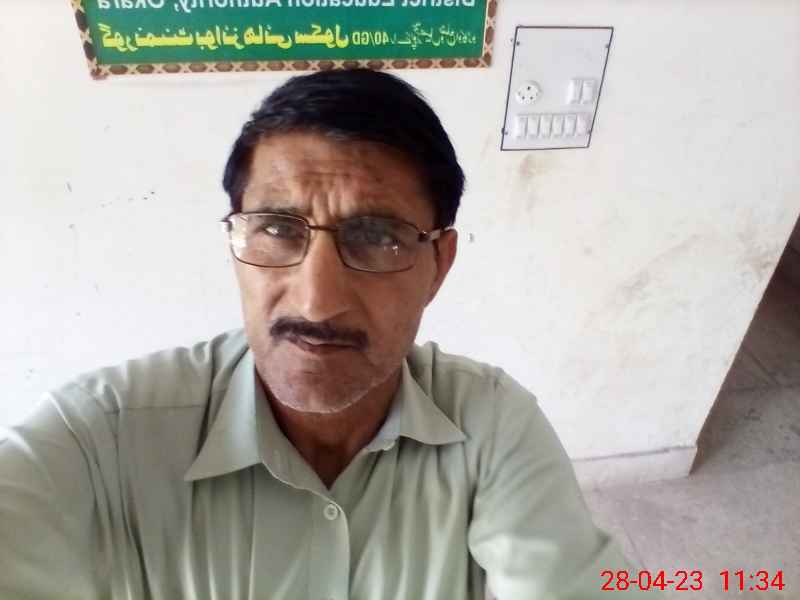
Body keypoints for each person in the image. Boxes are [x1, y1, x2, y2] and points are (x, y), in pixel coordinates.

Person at [0, 69, 657, 599]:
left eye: (377, 236)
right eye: (277, 229)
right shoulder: (99, 436)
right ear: (235, 245)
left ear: (438, 264)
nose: (317, 300)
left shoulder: (492, 427)